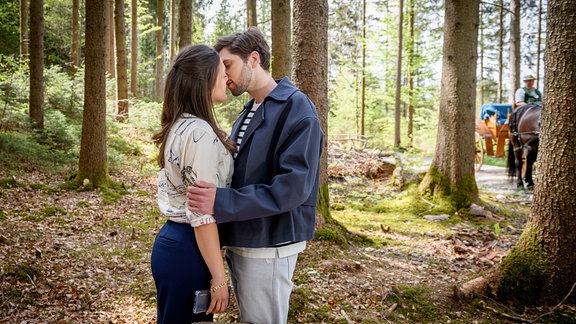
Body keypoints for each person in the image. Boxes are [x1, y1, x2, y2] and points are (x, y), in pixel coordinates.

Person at [186, 27, 323, 324]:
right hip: (243, 237)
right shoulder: (248, 110)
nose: (222, 75)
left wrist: (221, 201)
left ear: (254, 59)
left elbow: (293, 187)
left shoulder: (296, 108)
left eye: (227, 65)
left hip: (269, 243)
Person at [150, 44, 235, 323]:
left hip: (173, 244)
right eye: (221, 73)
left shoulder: (180, 124)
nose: (226, 78)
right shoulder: (200, 132)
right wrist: (219, 277)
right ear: (204, 80)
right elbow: (201, 212)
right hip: (190, 248)